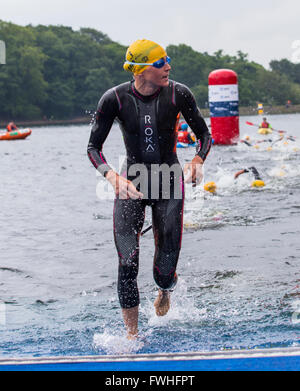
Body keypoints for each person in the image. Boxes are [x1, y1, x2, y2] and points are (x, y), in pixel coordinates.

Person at [87, 39, 212, 339]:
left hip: (169, 179)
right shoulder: (113, 99)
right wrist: (113, 178)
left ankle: (165, 289)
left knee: (164, 270)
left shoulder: (178, 94)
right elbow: (93, 147)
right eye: (159, 63)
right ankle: (132, 335)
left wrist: (197, 159)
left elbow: (204, 135)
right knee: (127, 261)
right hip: (132, 182)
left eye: (167, 60)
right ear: (141, 70)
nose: (168, 66)